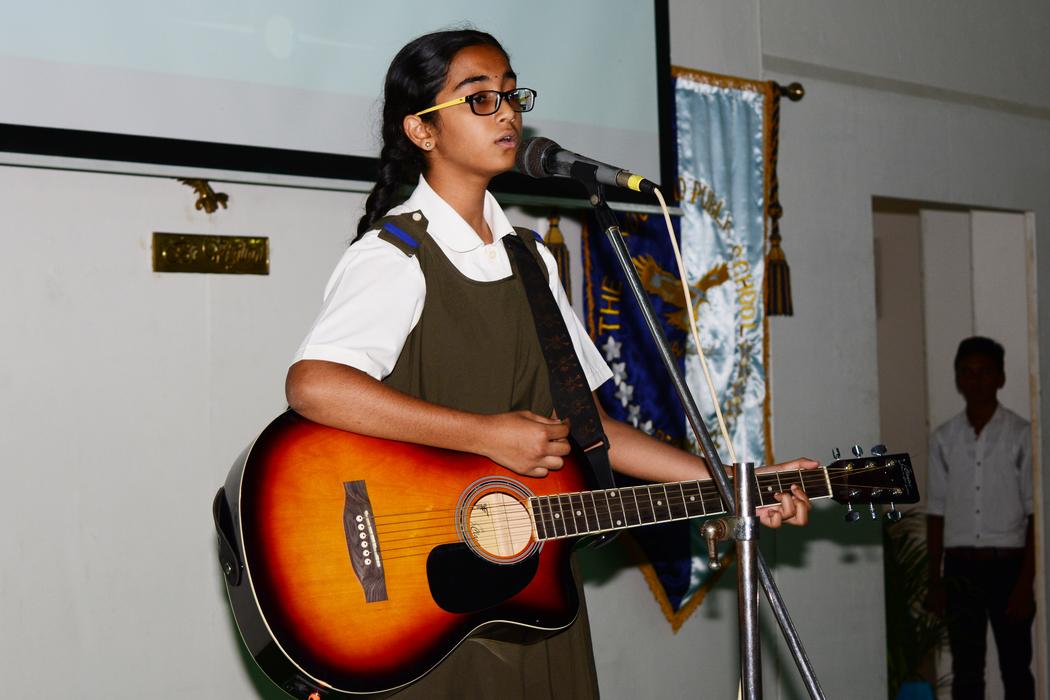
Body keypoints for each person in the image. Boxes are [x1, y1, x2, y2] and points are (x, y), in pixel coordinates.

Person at [285, 28, 816, 700]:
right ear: (421, 130)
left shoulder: (531, 260)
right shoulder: (394, 255)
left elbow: (592, 429)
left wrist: (740, 482)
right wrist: (485, 435)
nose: (507, 111)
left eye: (511, 94)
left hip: (531, 591)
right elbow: (315, 385)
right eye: (479, 97)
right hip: (426, 607)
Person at [926, 336, 1035, 699]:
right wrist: (934, 580)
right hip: (960, 570)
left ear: (1000, 377)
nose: (976, 380)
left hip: (1009, 567)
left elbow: (1035, 514)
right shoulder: (944, 439)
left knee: (1016, 669)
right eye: (968, 372)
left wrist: (1026, 583)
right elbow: (936, 512)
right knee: (967, 673)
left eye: (985, 372)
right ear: (958, 379)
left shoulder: (1021, 435)